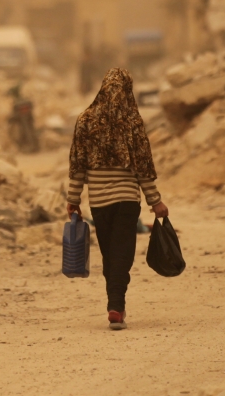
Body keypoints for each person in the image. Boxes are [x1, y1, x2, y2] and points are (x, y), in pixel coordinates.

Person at [66, 67, 169, 331]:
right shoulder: (132, 121)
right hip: (127, 200)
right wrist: (155, 201)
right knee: (122, 252)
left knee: (110, 253)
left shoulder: (85, 120)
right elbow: (142, 167)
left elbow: (78, 165)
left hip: (99, 202)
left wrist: (73, 199)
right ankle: (116, 305)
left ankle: (115, 304)